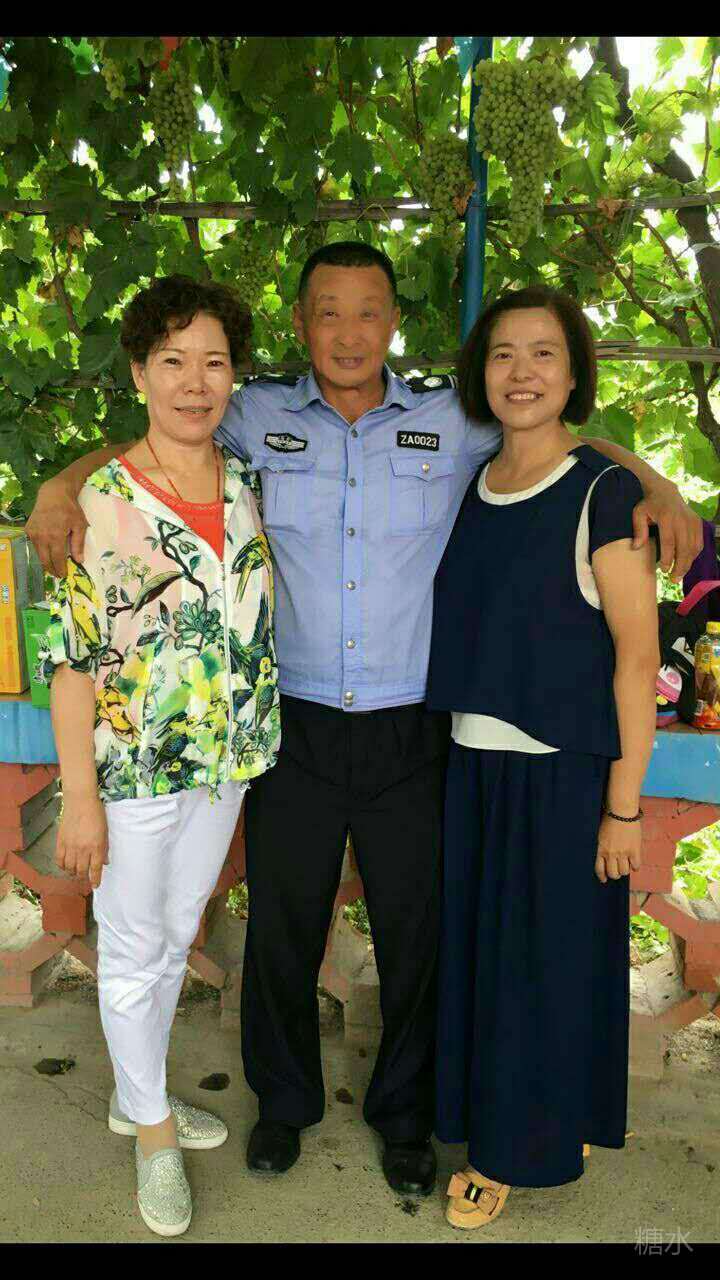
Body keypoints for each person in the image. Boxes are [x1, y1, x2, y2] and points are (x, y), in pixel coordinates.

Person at [27, 243, 702, 1198]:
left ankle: (405, 1118)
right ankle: (283, 1104)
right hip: (292, 724)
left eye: (368, 311)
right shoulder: (252, 411)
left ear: (393, 322)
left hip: (411, 727)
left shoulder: (452, 419)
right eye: (328, 312)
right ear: (302, 323)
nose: (349, 332)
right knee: (283, 927)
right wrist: (61, 484)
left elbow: (553, 432)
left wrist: (654, 481)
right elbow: (159, 435)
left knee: (416, 932)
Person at [41, 275, 280, 1237]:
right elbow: (70, 662)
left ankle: (135, 1090)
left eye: (214, 362)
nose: (195, 381)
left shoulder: (245, 479)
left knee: (177, 932)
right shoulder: (97, 502)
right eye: (173, 360)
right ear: (139, 374)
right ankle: (151, 1132)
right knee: (135, 946)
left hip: (227, 761)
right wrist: (80, 799)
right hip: (133, 770)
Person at [425, 286, 659, 1228]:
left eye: (544, 353)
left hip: (558, 776)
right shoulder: (475, 480)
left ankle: (508, 1155)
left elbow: (637, 659)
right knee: (487, 965)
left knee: (538, 971)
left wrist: (624, 804)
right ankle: (532, 1121)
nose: (521, 373)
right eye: (503, 354)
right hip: (472, 768)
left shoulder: (603, 493)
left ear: (574, 373)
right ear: (480, 372)